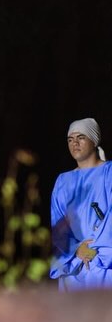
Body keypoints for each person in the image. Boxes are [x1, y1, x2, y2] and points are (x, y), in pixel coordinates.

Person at [50, 117, 112, 290]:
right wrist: (76, 249)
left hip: (105, 267)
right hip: (75, 268)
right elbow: (58, 225)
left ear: (94, 140)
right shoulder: (63, 181)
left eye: (81, 137)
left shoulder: (108, 173)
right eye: (70, 139)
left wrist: (94, 251)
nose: (74, 143)